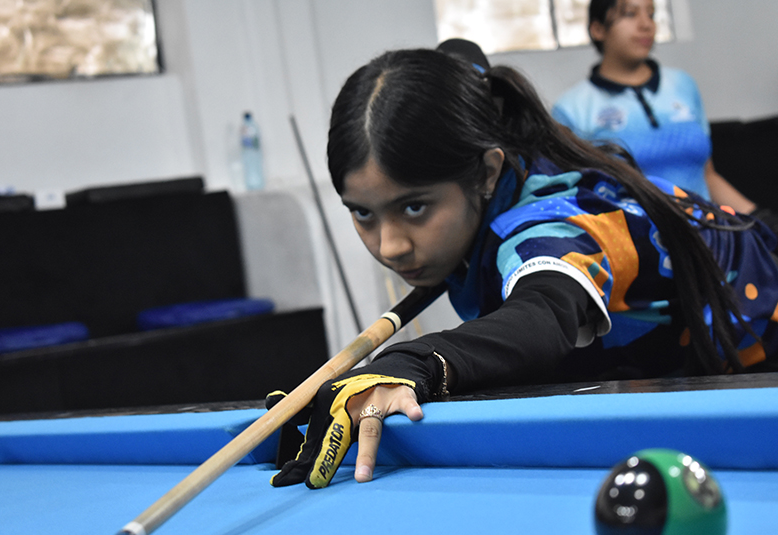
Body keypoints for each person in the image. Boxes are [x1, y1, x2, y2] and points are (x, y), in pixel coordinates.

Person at [268, 40, 778, 491]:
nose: (390, 245)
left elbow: (544, 314)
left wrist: (415, 361)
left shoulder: (545, 223)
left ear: (487, 173)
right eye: (363, 213)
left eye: (415, 206)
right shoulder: (495, 154)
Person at [551, 0, 761, 217]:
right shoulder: (571, 109)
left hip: (705, 229)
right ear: (598, 29)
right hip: (633, 235)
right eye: (630, 14)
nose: (646, 25)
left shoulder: (683, 84)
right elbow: (573, 199)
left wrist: (760, 218)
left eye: (651, 14)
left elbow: (707, 176)